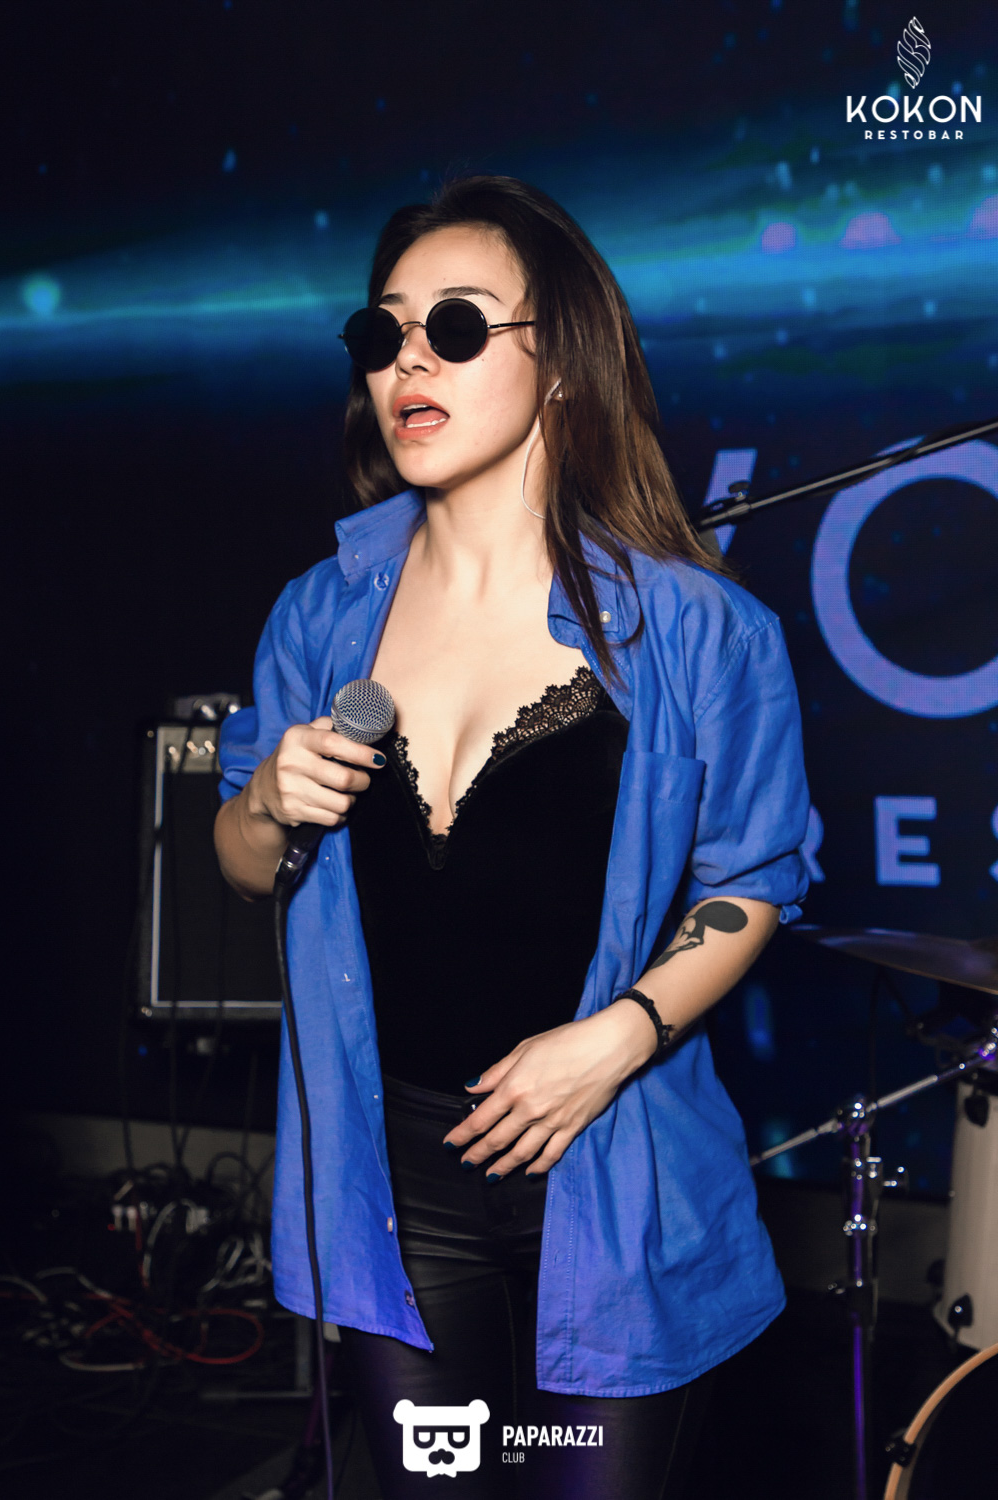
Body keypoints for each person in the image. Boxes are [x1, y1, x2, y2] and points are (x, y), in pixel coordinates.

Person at [214, 175, 810, 1499]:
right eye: (383, 331)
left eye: (457, 325)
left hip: (615, 1177)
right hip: (390, 1189)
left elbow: (753, 880)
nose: (409, 358)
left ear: (564, 365)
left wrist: (620, 1039)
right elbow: (242, 866)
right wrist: (263, 805)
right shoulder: (319, 615)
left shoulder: (700, 630)